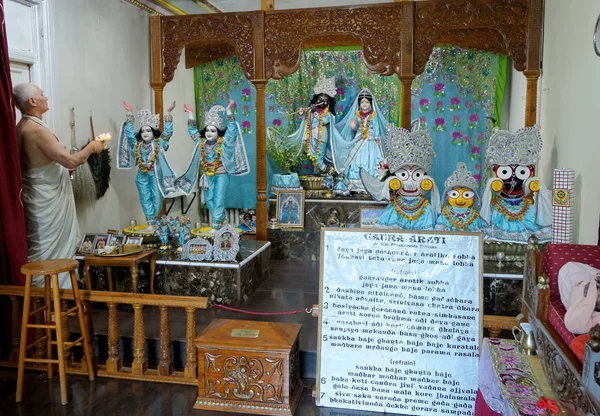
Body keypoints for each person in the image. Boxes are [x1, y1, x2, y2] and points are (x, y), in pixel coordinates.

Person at [14, 83, 104, 288]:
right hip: (45, 200)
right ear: (32, 101)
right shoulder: (35, 130)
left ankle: (49, 306)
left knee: (44, 252)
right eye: (41, 94)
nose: (45, 97)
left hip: (38, 194)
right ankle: (51, 305)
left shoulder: (21, 127)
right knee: (48, 256)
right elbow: (70, 161)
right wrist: (92, 147)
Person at [177, 100, 250, 230]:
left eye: (213, 130)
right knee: (208, 199)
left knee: (219, 199)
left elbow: (232, 130)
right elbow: (192, 131)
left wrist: (228, 111)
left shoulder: (224, 143)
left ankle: (216, 228)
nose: (209, 133)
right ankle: (221, 220)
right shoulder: (201, 143)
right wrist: (190, 114)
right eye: (207, 130)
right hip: (207, 176)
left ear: (218, 133)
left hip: (222, 175)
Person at [480, 125, 552, 242]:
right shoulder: (493, 209)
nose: (513, 178)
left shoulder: (531, 207)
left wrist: (533, 184)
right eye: (505, 172)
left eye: (521, 172)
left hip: (525, 208)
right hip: (499, 208)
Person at [361, 125, 440, 230]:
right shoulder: (393, 209)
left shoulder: (427, 209)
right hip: (397, 206)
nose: (410, 183)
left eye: (417, 175)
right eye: (403, 175)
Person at [117, 100, 178, 226]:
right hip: (142, 175)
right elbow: (129, 134)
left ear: (153, 133)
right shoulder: (137, 145)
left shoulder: (158, 143)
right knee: (145, 198)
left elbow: (167, 132)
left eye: (148, 131)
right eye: (143, 131)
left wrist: (168, 113)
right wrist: (129, 113)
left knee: (157, 199)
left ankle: (154, 221)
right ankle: (150, 223)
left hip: (156, 175)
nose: (145, 133)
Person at [333, 88, 387, 193]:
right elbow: (354, 126)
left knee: (371, 160)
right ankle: (355, 183)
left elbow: (376, 127)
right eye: (362, 102)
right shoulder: (357, 115)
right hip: (359, 141)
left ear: (371, 103)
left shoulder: (373, 115)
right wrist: (353, 124)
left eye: (367, 102)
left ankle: (370, 183)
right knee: (356, 161)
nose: (364, 104)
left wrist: (376, 138)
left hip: (370, 142)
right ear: (359, 104)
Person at [289, 77, 344, 174]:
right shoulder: (311, 111)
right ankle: (317, 177)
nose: (321, 101)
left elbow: (325, 121)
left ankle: (328, 172)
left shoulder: (328, 114)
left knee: (318, 159)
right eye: (319, 99)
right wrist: (301, 114)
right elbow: (302, 122)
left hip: (321, 137)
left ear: (328, 102)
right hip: (310, 136)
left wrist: (315, 112)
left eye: (324, 100)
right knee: (310, 157)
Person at [435, 162, 486, 232]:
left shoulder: (474, 215)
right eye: (454, 194)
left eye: (467, 195)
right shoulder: (445, 213)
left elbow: (482, 229)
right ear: (447, 196)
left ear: (474, 197)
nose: (460, 200)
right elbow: (438, 227)